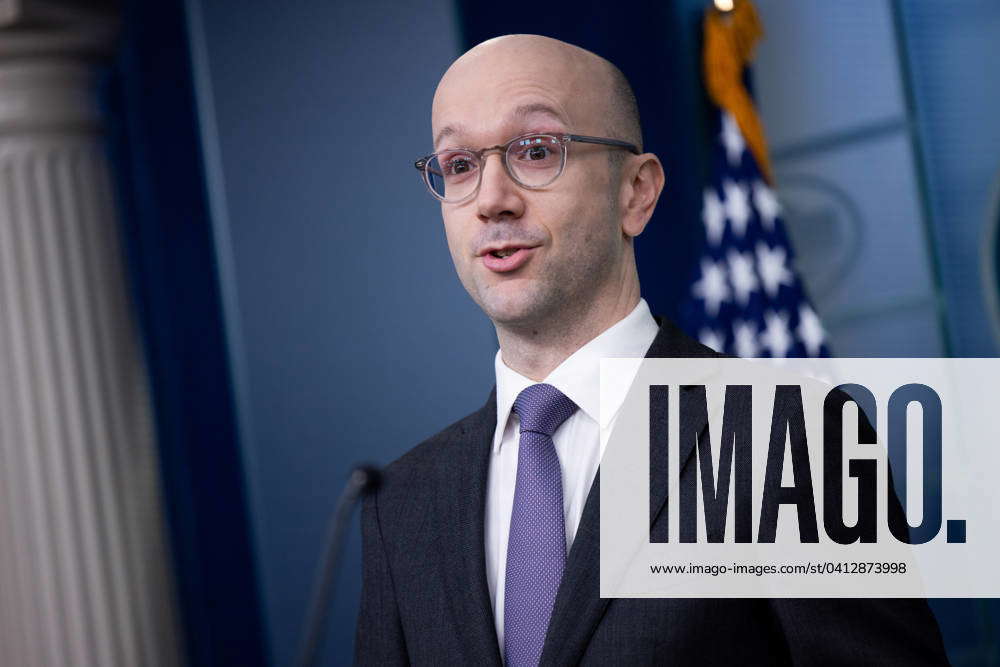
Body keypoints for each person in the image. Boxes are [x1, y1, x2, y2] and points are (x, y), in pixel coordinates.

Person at [354, 34, 949, 666]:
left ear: (636, 193)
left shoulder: (785, 431)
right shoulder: (403, 502)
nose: (492, 200)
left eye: (535, 151)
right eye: (460, 165)